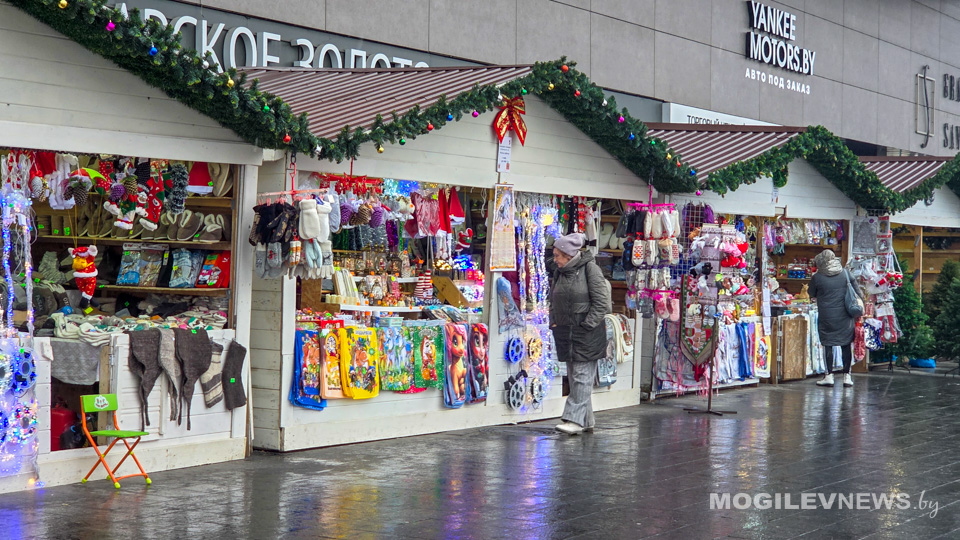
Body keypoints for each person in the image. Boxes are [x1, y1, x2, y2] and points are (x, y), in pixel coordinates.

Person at [549, 233, 611, 435]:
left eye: (558, 255)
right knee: (576, 377)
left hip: (587, 333)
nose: (555, 259)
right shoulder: (560, 273)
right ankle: (587, 420)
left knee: (582, 376)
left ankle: (572, 419)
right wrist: (554, 321)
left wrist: (587, 324)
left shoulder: (589, 269)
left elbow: (602, 302)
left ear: (568, 255)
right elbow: (553, 300)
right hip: (566, 332)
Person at [808, 249, 863, 388]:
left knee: (828, 344)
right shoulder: (845, 273)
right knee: (845, 345)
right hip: (845, 316)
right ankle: (847, 376)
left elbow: (811, 293)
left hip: (826, 316)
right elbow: (858, 293)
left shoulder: (817, 277)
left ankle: (829, 376)